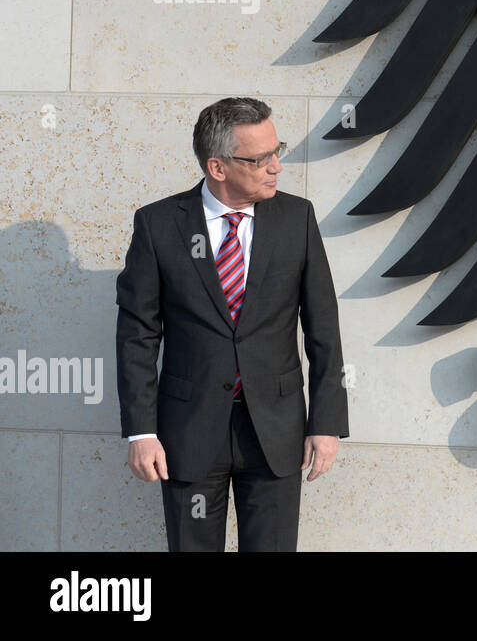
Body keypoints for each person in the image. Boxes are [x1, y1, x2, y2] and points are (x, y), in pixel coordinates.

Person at [115, 97, 349, 551]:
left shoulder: (296, 218)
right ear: (217, 167)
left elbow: (324, 328)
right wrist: (141, 432)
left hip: (275, 432)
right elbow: (137, 336)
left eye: (277, 150)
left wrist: (326, 423)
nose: (276, 167)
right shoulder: (159, 225)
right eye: (261, 158)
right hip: (189, 429)